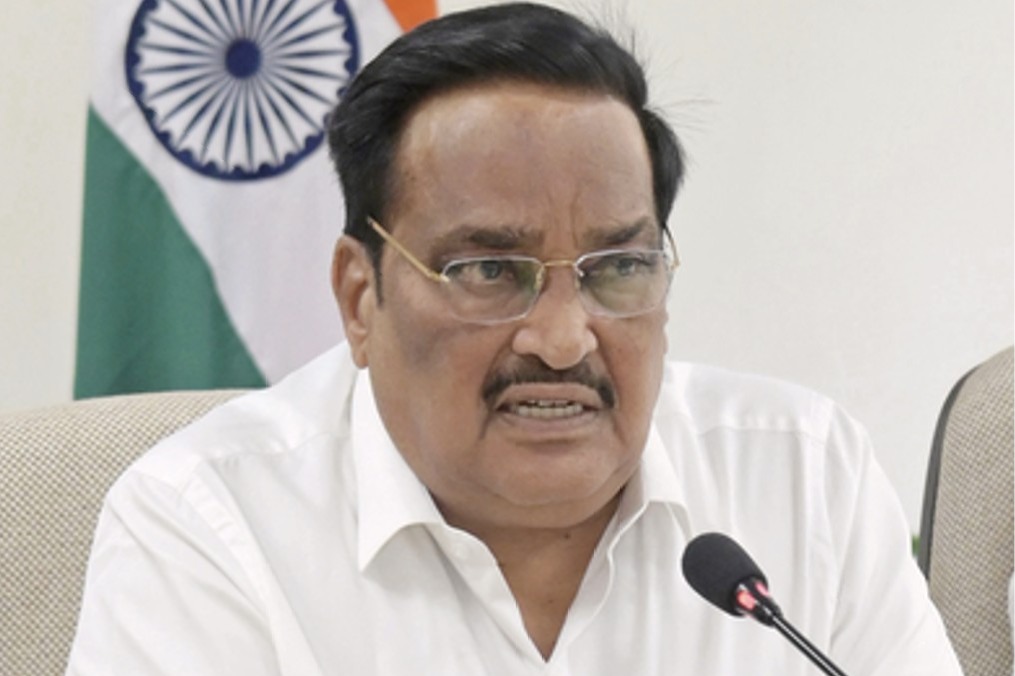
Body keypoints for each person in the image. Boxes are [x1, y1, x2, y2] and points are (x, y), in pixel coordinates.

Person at [66, 4, 961, 674]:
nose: (564, 340)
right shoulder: (207, 525)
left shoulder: (805, 479)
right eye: (490, 270)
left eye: (617, 267)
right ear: (359, 297)